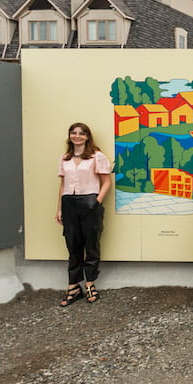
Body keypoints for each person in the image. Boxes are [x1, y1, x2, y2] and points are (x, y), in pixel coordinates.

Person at [56, 122, 112, 306]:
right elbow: (63, 185)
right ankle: (73, 286)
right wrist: (59, 208)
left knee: (91, 244)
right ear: (69, 135)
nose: (77, 136)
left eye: (81, 133)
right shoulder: (65, 158)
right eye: (73, 133)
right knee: (72, 244)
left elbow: (106, 182)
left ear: (87, 136)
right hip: (69, 203)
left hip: (89, 202)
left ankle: (90, 283)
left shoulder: (97, 156)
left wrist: (96, 202)